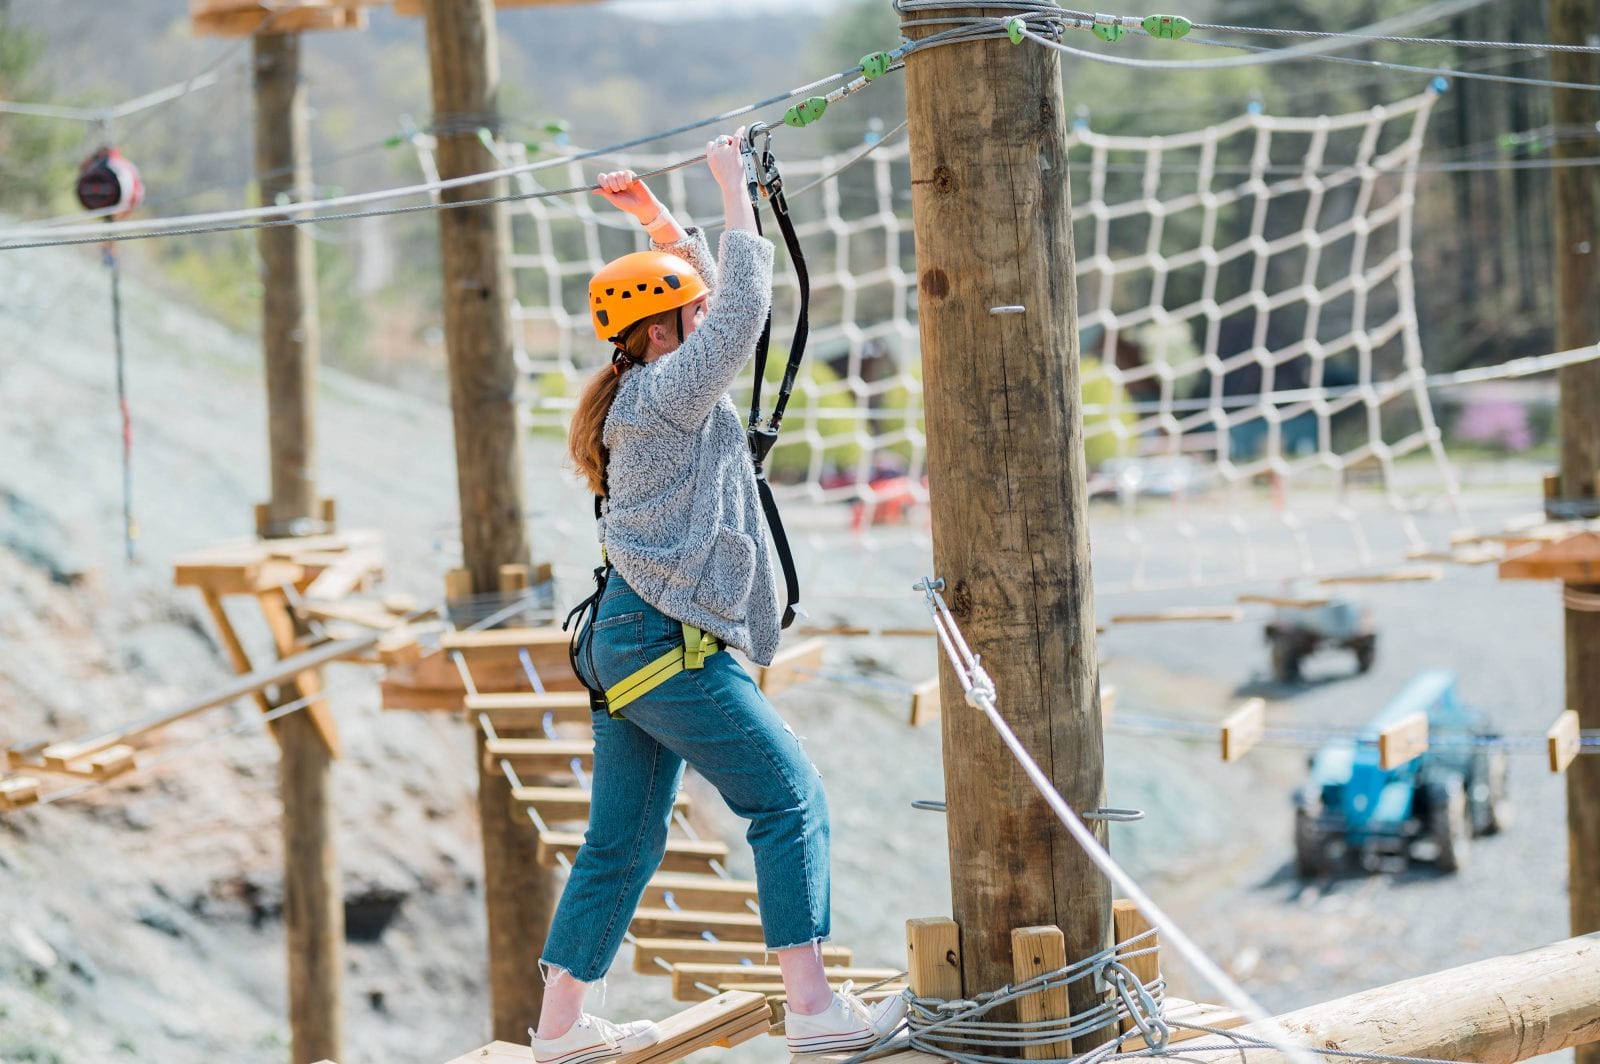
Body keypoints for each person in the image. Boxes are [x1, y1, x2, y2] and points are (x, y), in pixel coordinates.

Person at [529, 132, 908, 1064]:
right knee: (790, 801)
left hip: (627, 636)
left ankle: (561, 1031)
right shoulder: (667, 392)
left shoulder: (645, 388)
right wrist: (734, 192)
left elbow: (707, 300)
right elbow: (739, 309)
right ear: (661, 333)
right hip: (665, 641)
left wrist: (661, 222)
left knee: (622, 841)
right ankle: (814, 1011)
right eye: (682, 314)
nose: (697, 322)